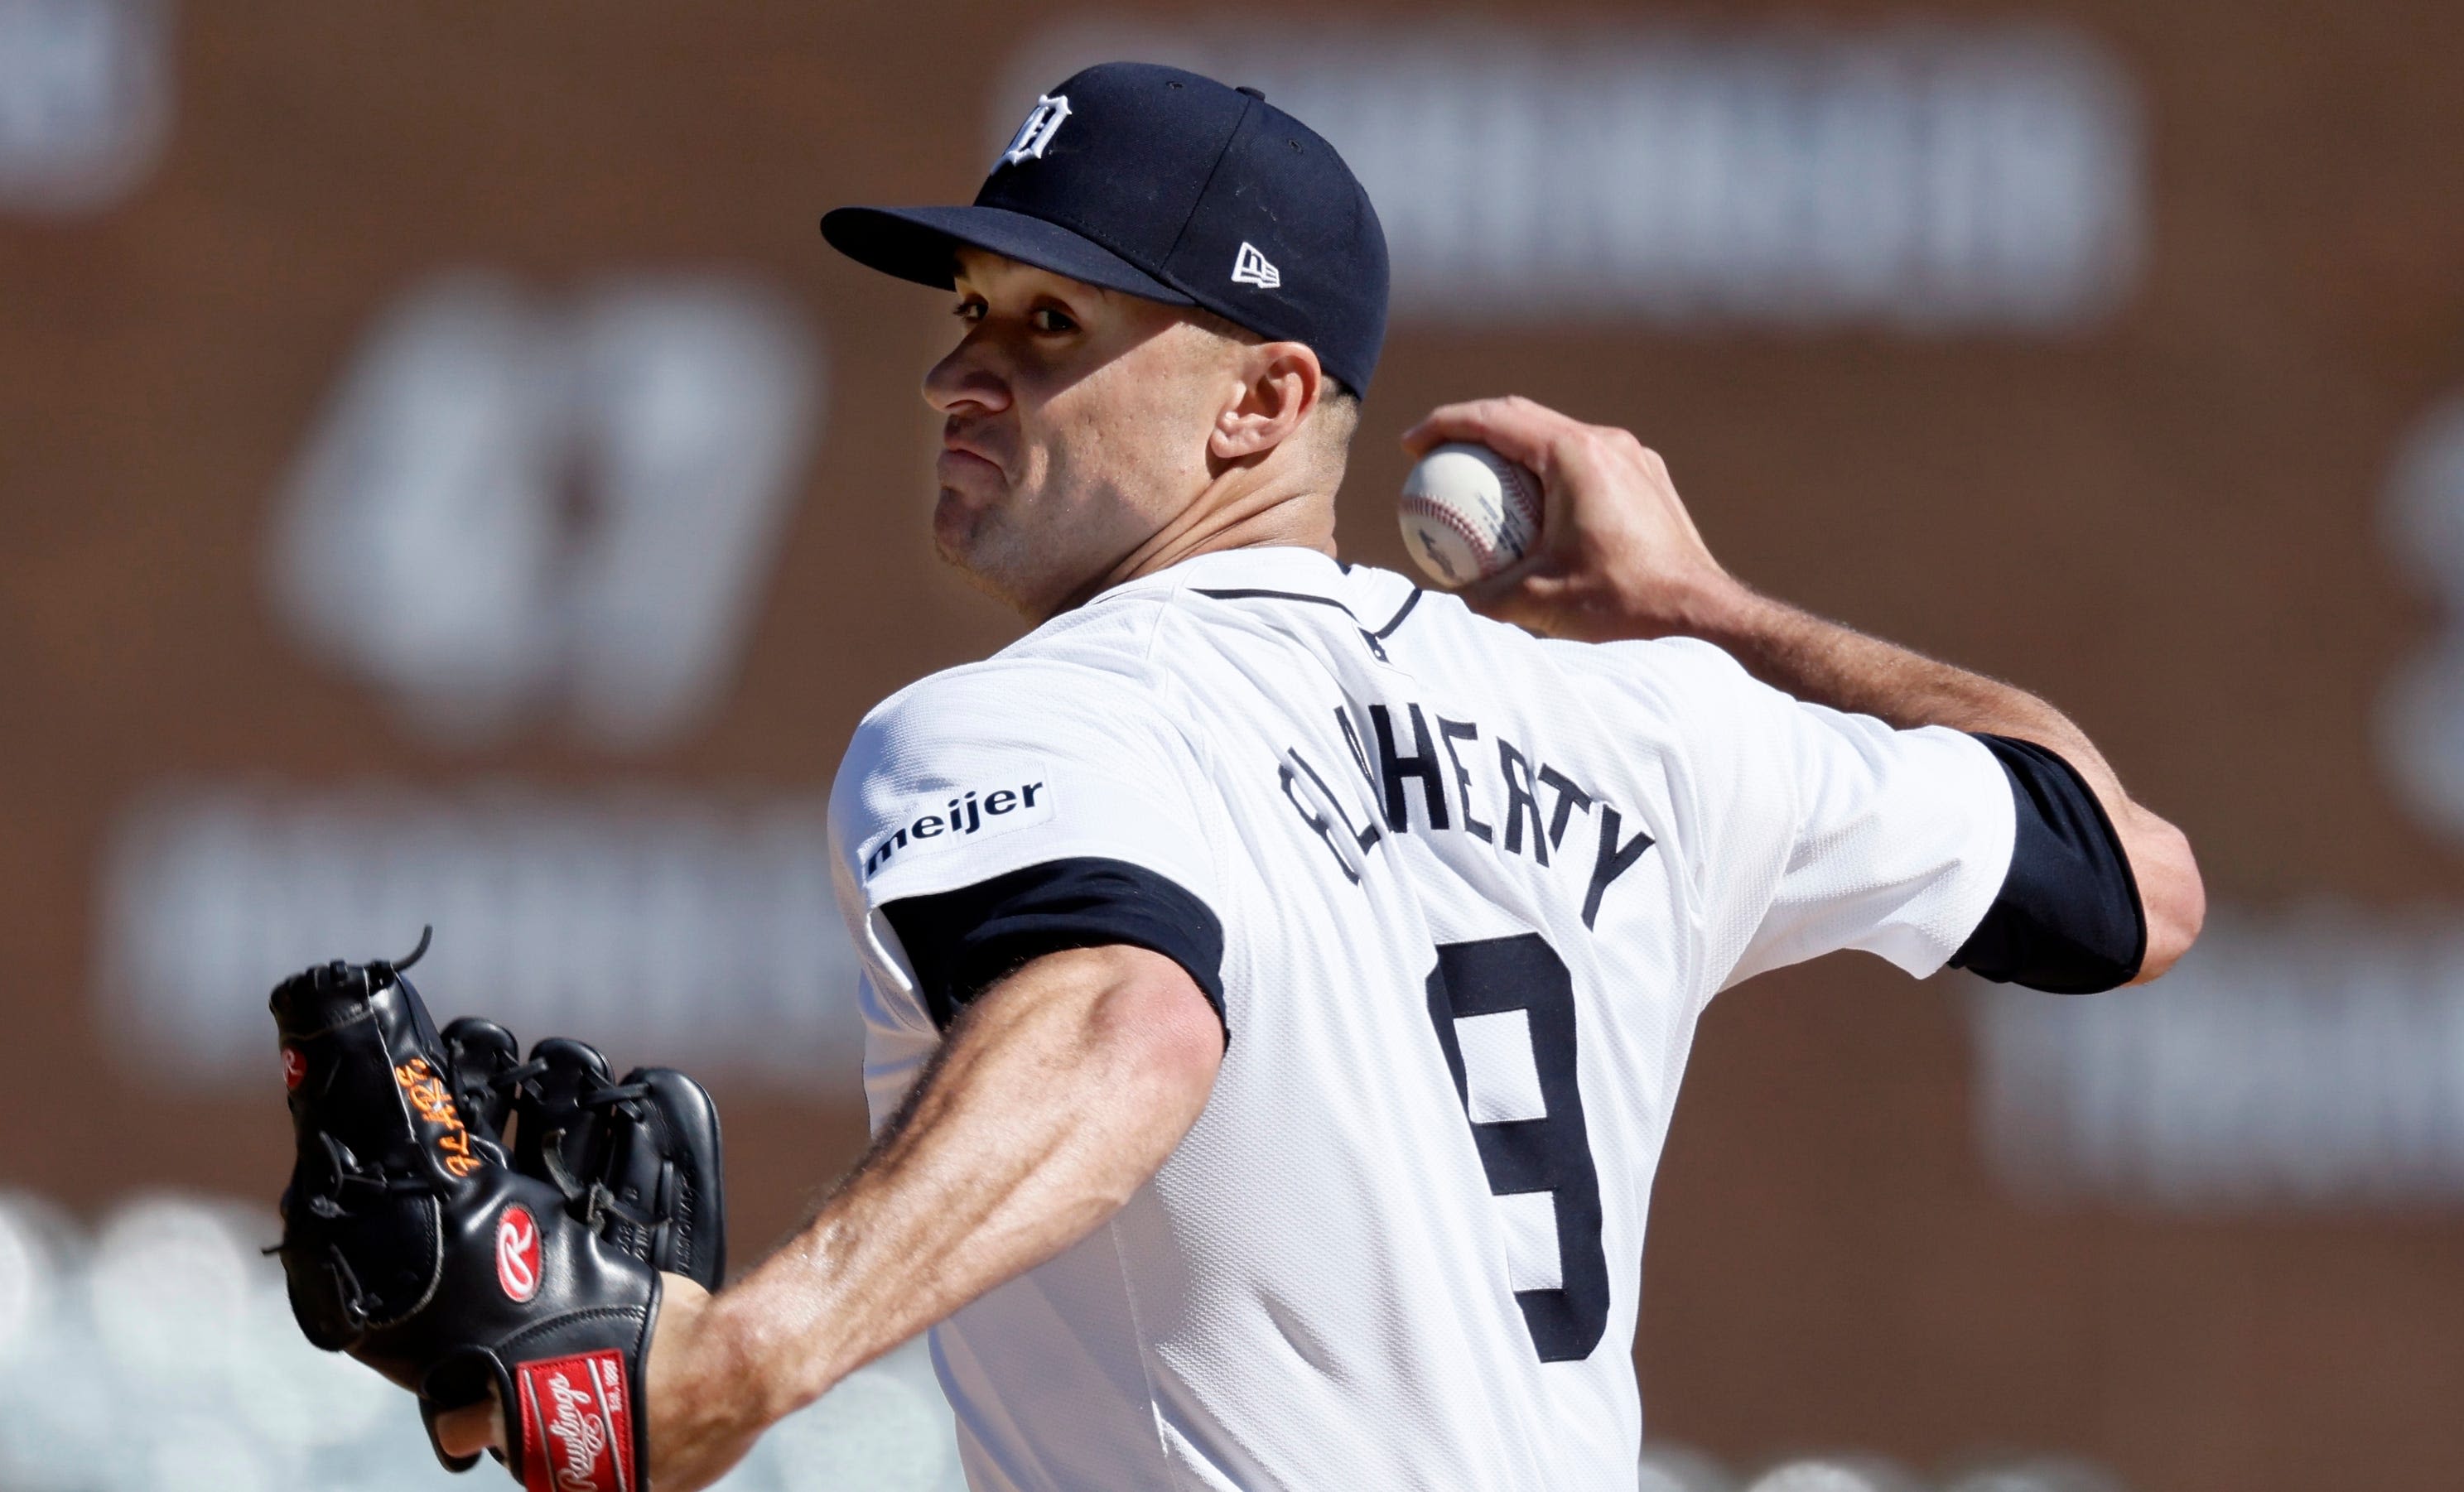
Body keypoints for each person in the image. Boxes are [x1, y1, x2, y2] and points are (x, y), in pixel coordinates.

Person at [441, 60, 2205, 1491]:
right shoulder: (1653, 722)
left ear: (1262, 401)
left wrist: (740, 1366)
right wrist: (1706, 606)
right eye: (969, 311)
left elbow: (1128, 1023)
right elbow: (2126, 884)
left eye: (1046, 327)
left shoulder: (1020, 720)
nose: (953, 375)